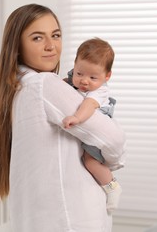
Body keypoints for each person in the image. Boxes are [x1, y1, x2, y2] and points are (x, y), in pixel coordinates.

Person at [0, 4, 126, 232]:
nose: (51, 46)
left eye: (56, 35)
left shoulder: (16, 88)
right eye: (37, 38)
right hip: (73, 217)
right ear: (18, 46)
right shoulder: (45, 84)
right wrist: (109, 162)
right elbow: (114, 140)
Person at [63, 38, 122, 214]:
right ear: (75, 65)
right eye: (80, 73)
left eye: (93, 77)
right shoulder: (73, 78)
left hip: (97, 122)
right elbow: (64, 84)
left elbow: (88, 105)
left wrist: (76, 117)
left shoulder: (100, 90)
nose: (84, 81)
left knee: (90, 161)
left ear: (107, 76)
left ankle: (112, 186)